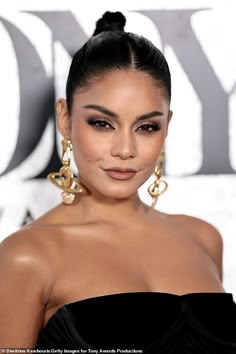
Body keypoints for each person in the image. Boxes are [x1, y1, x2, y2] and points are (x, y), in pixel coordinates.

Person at [0, 10, 236, 353]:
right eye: (102, 123)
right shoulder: (25, 257)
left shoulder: (204, 239)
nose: (125, 149)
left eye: (146, 127)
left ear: (166, 126)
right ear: (65, 119)